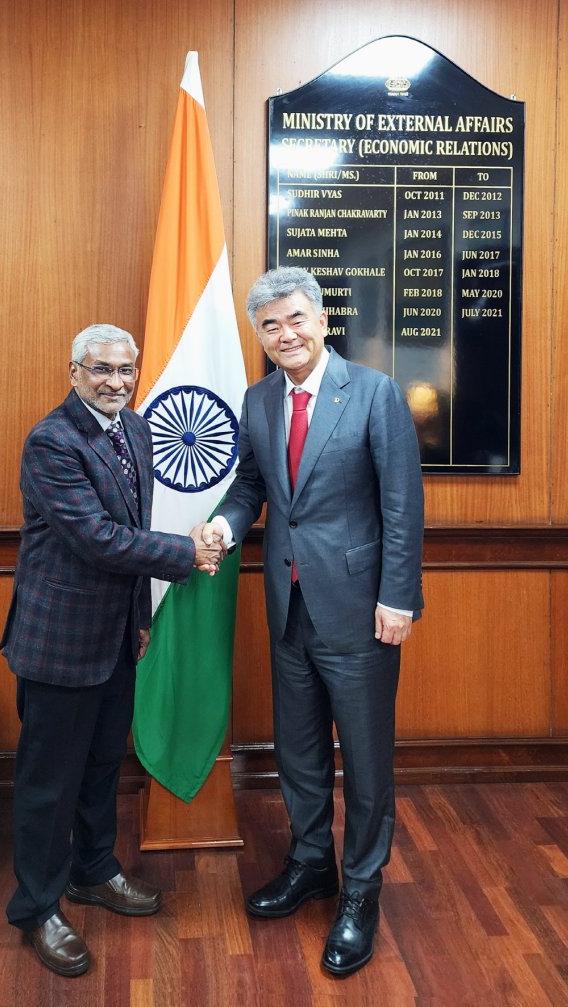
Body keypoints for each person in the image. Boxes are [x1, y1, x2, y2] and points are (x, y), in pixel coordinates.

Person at [202, 267, 424, 976]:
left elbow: (401, 505)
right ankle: (310, 863)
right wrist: (225, 527)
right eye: (270, 325)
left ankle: (360, 889)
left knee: (363, 761)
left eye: (296, 318)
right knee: (297, 752)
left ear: (322, 318)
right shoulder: (258, 398)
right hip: (288, 606)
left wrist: (399, 596)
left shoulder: (375, 393)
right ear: (261, 336)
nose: (285, 334)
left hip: (360, 610)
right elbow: (253, 486)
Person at [0, 323, 223, 977]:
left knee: (100, 770)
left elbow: (130, 529)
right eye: (101, 369)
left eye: (127, 369)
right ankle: (37, 906)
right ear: (73, 371)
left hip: (117, 638)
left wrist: (137, 619)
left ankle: (93, 871)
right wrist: (189, 552)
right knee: (49, 787)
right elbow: (98, 539)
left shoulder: (139, 429)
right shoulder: (51, 441)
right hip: (58, 644)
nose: (116, 381)